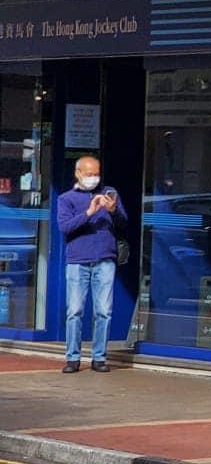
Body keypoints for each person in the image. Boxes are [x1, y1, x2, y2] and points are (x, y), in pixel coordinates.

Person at [56, 156, 125, 374]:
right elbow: (65, 227)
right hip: (78, 261)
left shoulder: (109, 192)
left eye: (96, 173)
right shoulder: (66, 198)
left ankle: (99, 357)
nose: (93, 178)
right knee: (75, 311)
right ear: (78, 174)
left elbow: (124, 223)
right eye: (89, 174)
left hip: (105, 260)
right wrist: (89, 212)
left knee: (103, 311)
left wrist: (113, 210)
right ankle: (73, 358)